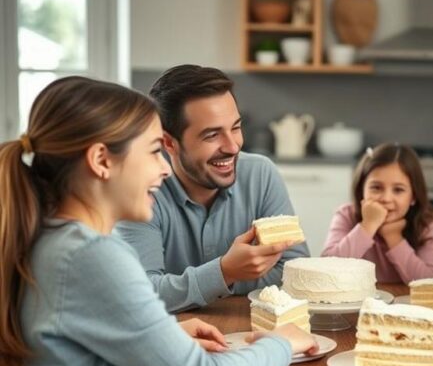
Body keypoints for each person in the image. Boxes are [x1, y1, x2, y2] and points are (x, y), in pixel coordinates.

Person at [0, 76, 317, 366]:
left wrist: (165, 334)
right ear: (101, 161)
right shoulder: (93, 256)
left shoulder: (51, 239)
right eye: (153, 152)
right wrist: (280, 343)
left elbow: (80, 344)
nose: (163, 171)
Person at [116, 64, 309, 315]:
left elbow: (295, 272)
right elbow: (141, 292)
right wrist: (225, 272)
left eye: (236, 128)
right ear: (169, 143)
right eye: (211, 135)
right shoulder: (141, 193)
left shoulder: (260, 175)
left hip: (252, 326)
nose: (232, 146)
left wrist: (201, 284)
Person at [321, 143, 433, 283]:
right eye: (376, 188)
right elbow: (326, 270)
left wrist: (394, 237)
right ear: (362, 190)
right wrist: (368, 226)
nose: (386, 198)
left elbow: (431, 282)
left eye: (398, 190)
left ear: (413, 196)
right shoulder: (346, 215)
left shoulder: (428, 223)